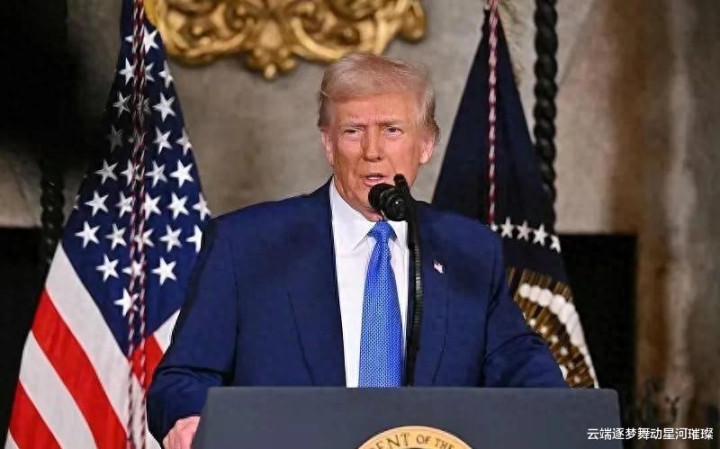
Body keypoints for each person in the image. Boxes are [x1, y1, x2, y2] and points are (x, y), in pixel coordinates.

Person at [147, 52, 567, 449]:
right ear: (328, 144)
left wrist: (569, 419)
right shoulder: (246, 245)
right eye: (353, 131)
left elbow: (520, 367)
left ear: (426, 144)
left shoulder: (467, 250)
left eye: (392, 130)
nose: (372, 151)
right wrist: (188, 418)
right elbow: (182, 378)